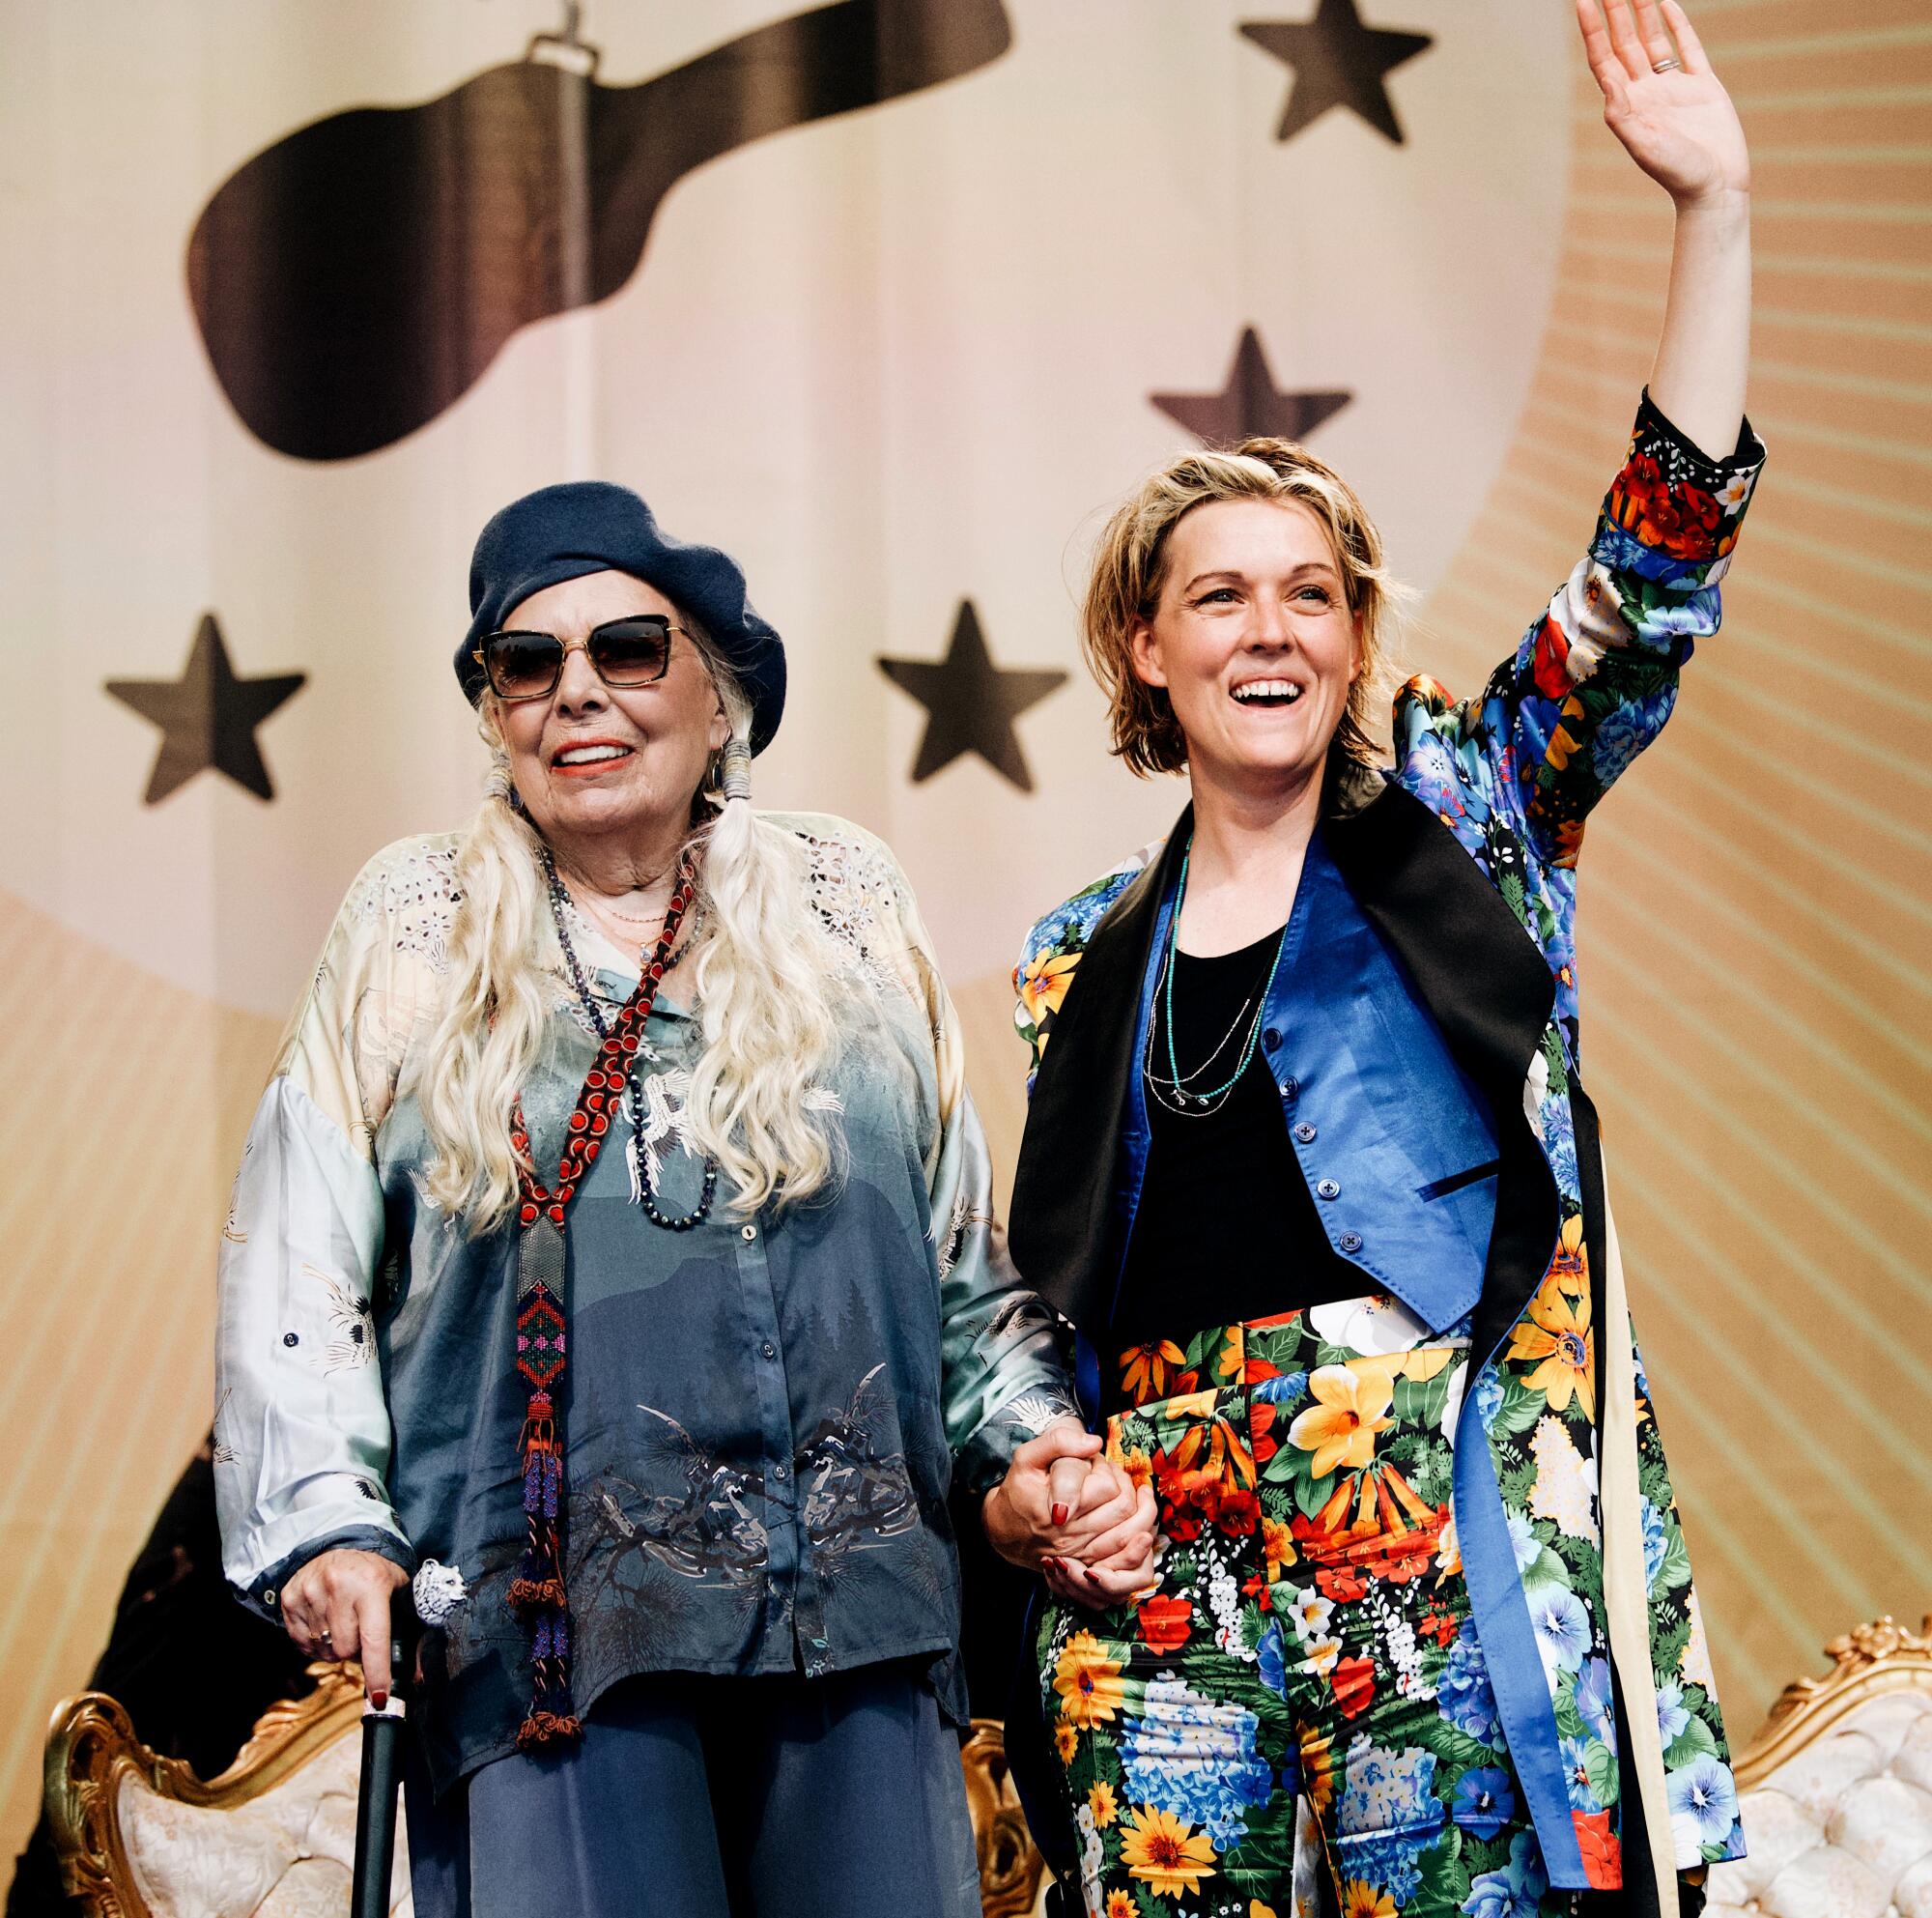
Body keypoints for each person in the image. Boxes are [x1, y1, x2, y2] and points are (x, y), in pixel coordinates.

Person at [1006, 4, 1760, 1914]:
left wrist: (1714, 214)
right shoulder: (1074, 958)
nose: (1270, 630)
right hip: (1157, 1574)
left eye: (1312, 594)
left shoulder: (1469, 823)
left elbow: (1644, 582)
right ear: (1145, 654)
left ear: (1353, 640)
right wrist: (1040, 1480)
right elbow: (1032, 1300)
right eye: (1217, 596)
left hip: (1423, 1512)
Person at [213, 482, 1154, 1918]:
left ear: (720, 697)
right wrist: (328, 1520)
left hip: (860, 1623)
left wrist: (1023, 1448)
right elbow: (301, 1256)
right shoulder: (413, 927)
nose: (575, 690)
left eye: (629, 648)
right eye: (524, 664)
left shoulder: (844, 899)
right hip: (548, 1650)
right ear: (493, 714)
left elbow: (961, 1259)